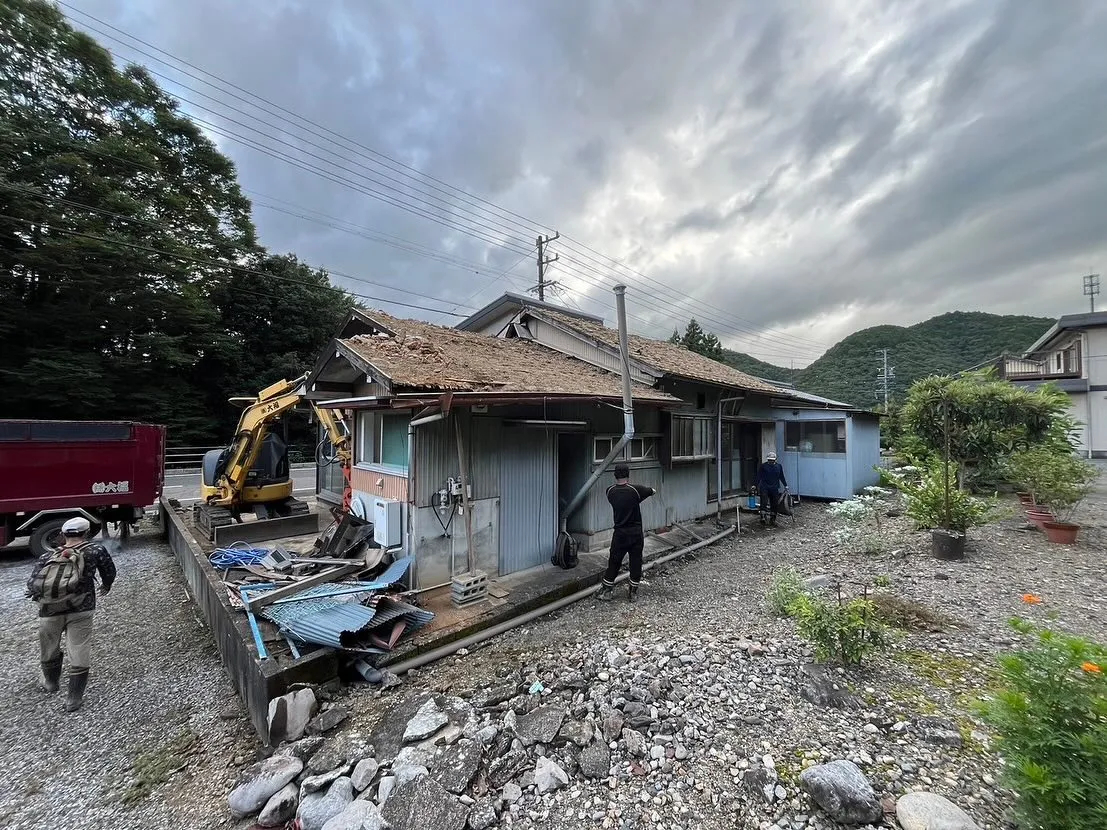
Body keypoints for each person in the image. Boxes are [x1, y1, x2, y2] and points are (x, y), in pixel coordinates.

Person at [26, 516, 116, 712]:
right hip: (82, 609)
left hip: (49, 611)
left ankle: (51, 682)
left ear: (63, 535)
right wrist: (106, 586)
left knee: (49, 647)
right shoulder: (95, 550)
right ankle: (73, 699)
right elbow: (109, 571)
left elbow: (32, 584)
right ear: (86, 533)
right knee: (79, 647)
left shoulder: (47, 556)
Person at [596, 464, 656, 603]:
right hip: (635, 533)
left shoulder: (609, 491)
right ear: (628, 475)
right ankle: (632, 592)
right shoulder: (636, 490)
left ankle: (607, 590)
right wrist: (641, 496)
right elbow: (652, 491)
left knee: (614, 561)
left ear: (615, 475)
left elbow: (622, 499)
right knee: (635, 561)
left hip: (620, 533)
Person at [756, 451, 788, 527]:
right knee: (763, 502)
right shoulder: (763, 466)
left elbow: (781, 476)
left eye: (772, 460)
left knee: (774, 504)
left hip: (774, 487)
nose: (771, 461)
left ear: (775, 460)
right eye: (769, 460)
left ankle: (772, 519)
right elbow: (759, 476)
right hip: (764, 487)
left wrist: (785, 485)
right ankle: (763, 517)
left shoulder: (779, 466)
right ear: (767, 460)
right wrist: (755, 485)